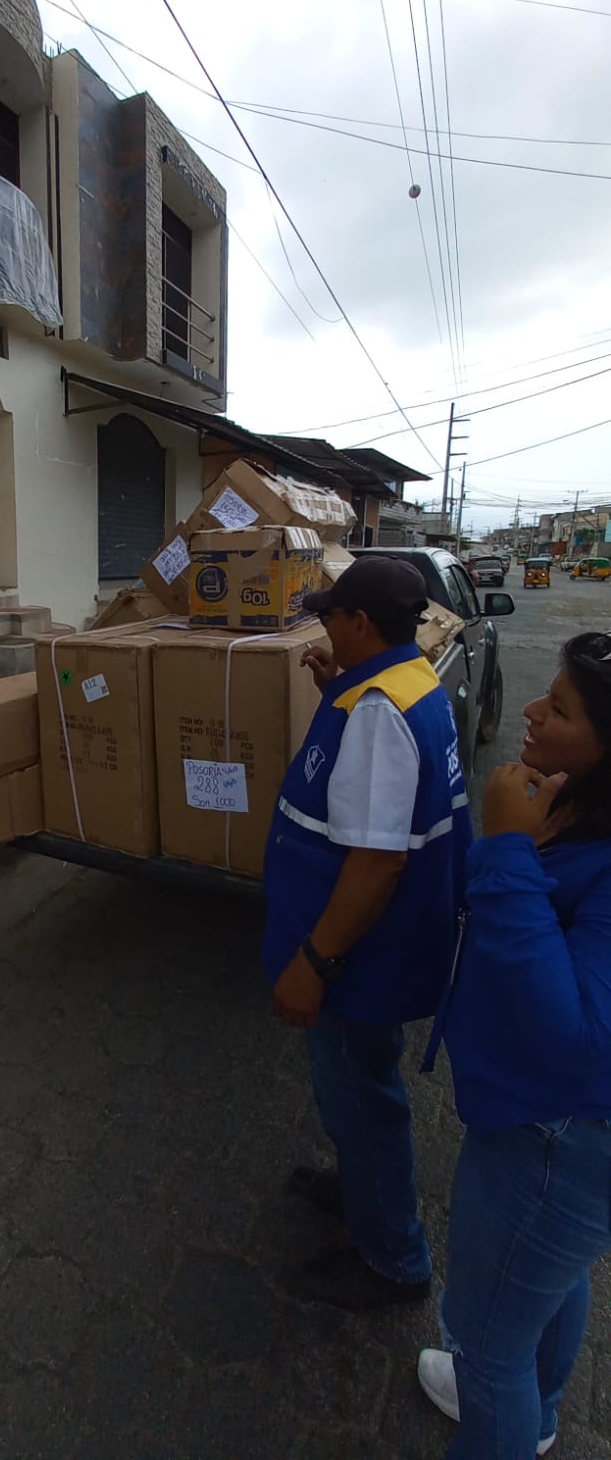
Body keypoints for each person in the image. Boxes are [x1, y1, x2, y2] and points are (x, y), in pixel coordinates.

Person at [417, 631, 611, 1458]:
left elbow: (577, 1039)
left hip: (557, 1141)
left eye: (558, 708)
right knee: (550, 1280)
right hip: (544, 1126)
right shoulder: (581, 806)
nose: (530, 709)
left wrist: (503, 850)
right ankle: (538, 1415)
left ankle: (505, 1409)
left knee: (486, 1341)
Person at [263, 556, 472, 1311]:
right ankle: (362, 1186)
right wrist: (335, 692)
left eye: (330, 617)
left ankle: (392, 1258)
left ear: (359, 623)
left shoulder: (380, 712)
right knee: (356, 1085)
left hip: (355, 957)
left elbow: (377, 863)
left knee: (360, 1093)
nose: (323, 628)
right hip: (379, 945)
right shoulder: (408, 681)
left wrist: (314, 963)